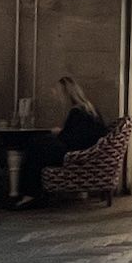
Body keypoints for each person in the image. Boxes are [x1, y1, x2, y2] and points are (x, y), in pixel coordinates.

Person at [14, 76, 109, 209]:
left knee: (34, 146)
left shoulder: (77, 111)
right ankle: (32, 194)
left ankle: (29, 194)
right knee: (39, 146)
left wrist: (58, 134)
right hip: (87, 152)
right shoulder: (89, 109)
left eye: (58, 92)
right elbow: (81, 134)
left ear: (65, 93)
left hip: (76, 154)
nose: (55, 95)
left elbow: (70, 140)